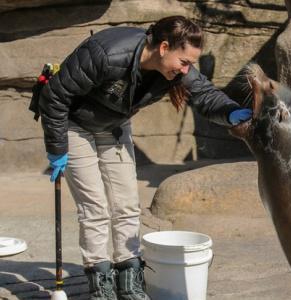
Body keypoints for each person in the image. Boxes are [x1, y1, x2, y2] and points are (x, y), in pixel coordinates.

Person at [38, 16, 252, 300]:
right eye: (184, 61)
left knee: (127, 205)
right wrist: (57, 147)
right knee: (96, 208)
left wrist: (231, 112)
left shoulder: (174, 71)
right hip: (74, 126)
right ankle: (101, 286)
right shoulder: (107, 54)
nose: (187, 70)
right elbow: (55, 94)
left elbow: (205, 95)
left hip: (113, 126)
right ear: (164, 47)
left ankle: (129, 284)